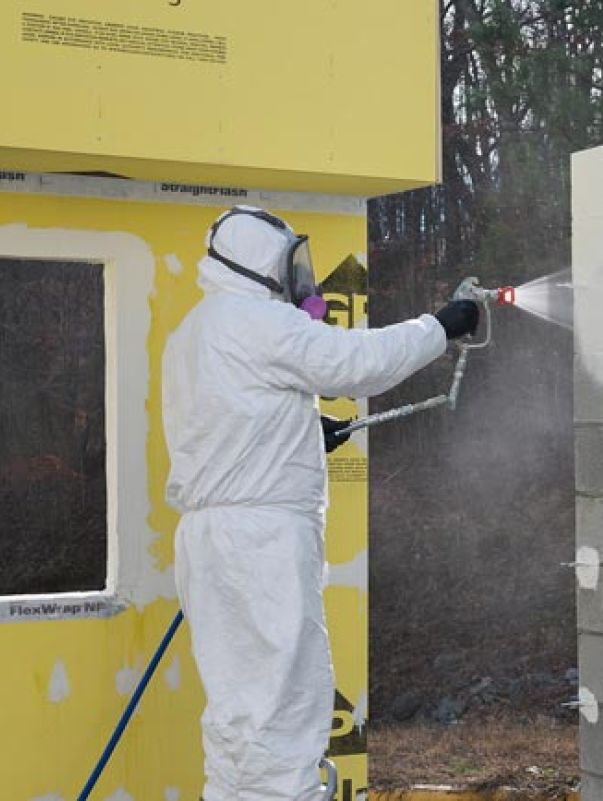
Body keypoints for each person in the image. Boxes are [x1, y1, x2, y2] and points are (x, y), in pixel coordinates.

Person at [161, 206, 478, 800]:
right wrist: (440, 326)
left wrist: (306, 433)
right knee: (284, 707)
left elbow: (230, 424)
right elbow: (359, 364)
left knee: (240, 712)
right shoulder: (256, 320)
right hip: (263, 544)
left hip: (211, 541)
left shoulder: (195, 330)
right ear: (260, 264)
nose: (299, 279)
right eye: (289, 264)